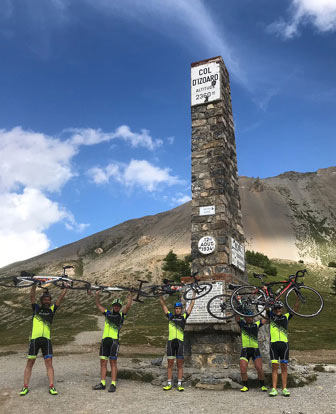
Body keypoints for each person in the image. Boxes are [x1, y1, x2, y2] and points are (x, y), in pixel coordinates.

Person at [20, 284, 68, 396]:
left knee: (49, 363)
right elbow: (31, 296)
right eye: (45, 299)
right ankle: (25, 387)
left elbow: (60, 298)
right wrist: (34, 285)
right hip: (35, 340)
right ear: (41, 301)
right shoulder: (36, 308)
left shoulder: (52, 309)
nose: (47, 301)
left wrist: (65, 289)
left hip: (46, 340)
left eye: (48, 300)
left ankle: (51, 386)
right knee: (30, 363)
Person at [92, 291, 133, 392]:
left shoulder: (121, 315)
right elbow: (98, 305)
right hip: (105, 340)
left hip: (114, 341)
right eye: (115, 305)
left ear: (120, 307)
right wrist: (97, 294)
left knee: (113, 363)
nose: (116, 307)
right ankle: (102, 383)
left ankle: (113, 384)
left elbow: (128, 306)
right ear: (112, 306)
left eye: (118, 306)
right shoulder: (108, 313)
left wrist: (130, 296)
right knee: (103, 362)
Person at [159, 291, 196, 392]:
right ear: (174, 309)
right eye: (176, 308)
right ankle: (169, 383)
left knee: (180, 364)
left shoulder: (184, 317)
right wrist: (160, 296)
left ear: (181, 309)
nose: (178, 310)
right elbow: (163, 306)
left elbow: (191, 307)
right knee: (170, 364)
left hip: (180, 343)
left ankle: (179, 384)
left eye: (179, 308)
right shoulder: (170, 317)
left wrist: (194, 295)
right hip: (171, 343)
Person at [263, 300, 298, 397]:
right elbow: (266, 308)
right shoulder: (271, 316)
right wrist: (267, 298)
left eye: (279, 308)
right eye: (276, 308)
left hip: (284, 345)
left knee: (284, 367)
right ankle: (274, 389)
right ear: (274, 309)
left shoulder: (286, 316)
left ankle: (284, 388)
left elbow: (294, 309)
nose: (278, 310)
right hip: (274, 345)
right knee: (274, 367)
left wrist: (296, 296)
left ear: (282, 309)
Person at [235, 312, 268, 392]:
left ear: (253, 318)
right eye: (247, 317)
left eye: (251, 317)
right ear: (245, 318)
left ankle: (262, 385)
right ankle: (245, 386)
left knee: (259, 368)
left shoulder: (256, 324)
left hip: (255, 350)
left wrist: (267, 309)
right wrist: (238, 309)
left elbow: (266, 319)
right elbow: (237, 317)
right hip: (245, 350)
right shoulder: (242, 324)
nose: (249, 318)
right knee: (243, 369)